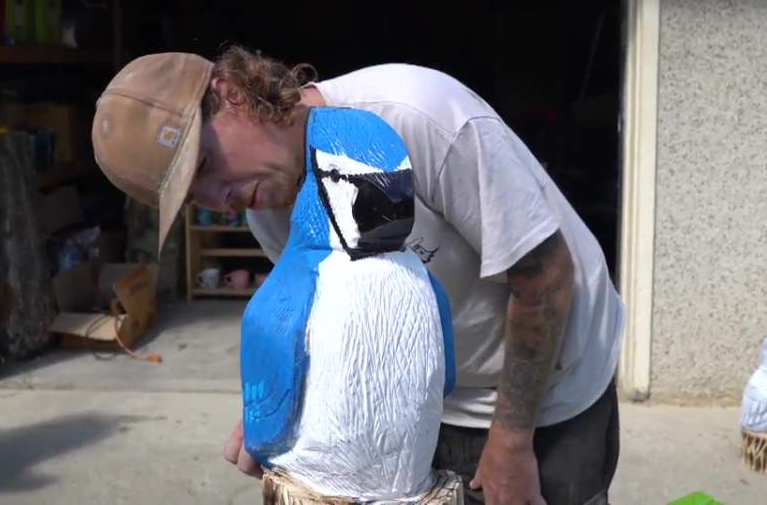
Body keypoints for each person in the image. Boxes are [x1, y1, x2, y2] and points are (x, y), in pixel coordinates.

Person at [91, 46, 625, 505]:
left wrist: (511, 441)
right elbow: (331, 324)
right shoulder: (269, 209)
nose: (218, 202)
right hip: (434, 398)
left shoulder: (416, 114)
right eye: (192, 198)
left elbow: (546, 277)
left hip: (553, 384)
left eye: (204, 166)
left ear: (233, 93)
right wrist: (277, 411)